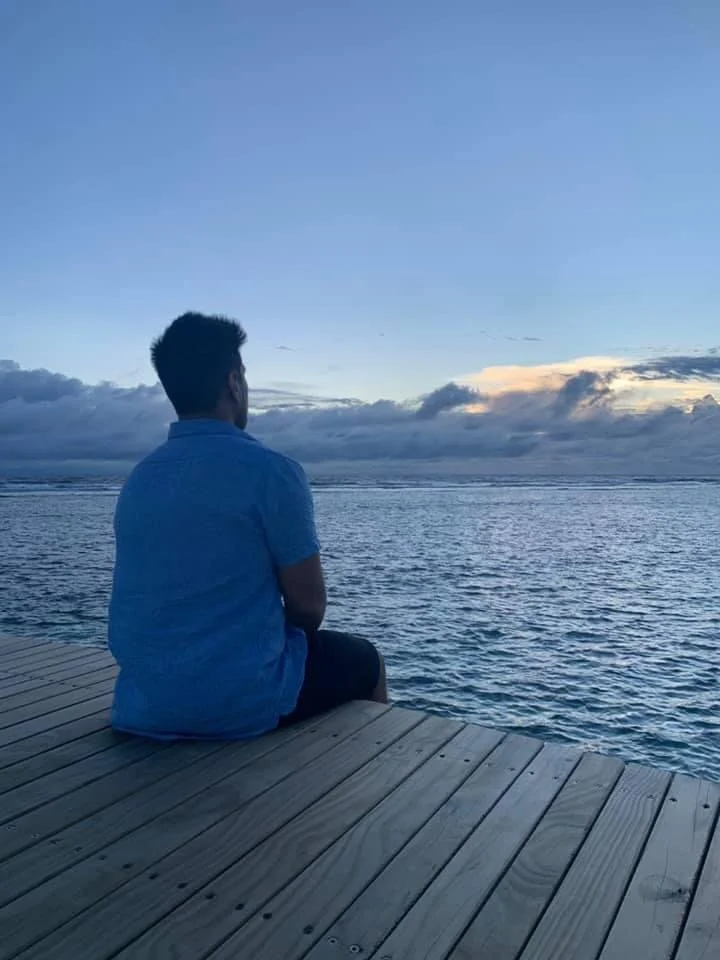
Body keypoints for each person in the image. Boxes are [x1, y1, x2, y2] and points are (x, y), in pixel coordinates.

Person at [108, 312, 387, 739]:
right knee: (366, 659)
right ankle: (376, 784)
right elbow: (309, 609)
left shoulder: (140, 478)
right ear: (234, 383)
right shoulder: (272, 472)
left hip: (142, 706)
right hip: (236, 707)